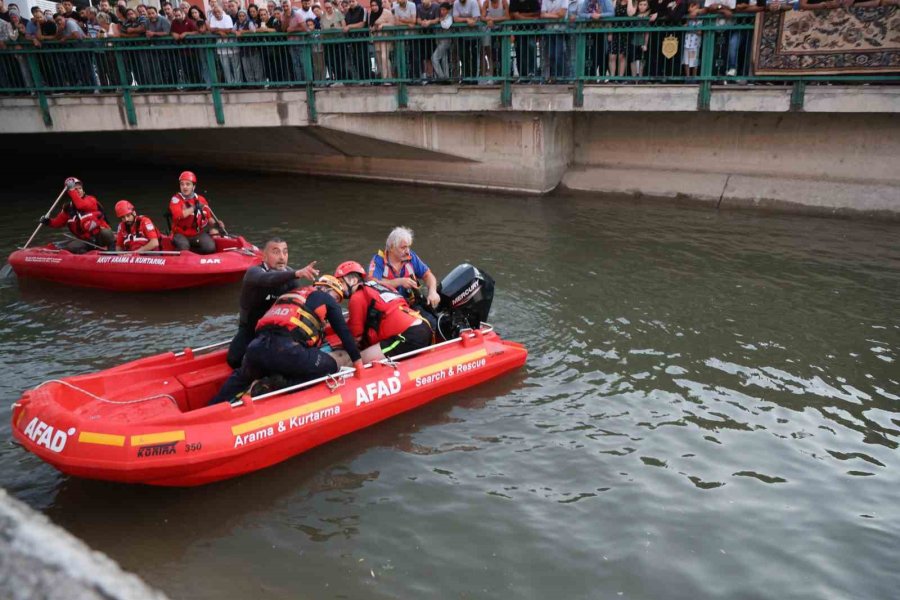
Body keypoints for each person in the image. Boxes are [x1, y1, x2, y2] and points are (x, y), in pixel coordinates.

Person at [210, 274, 363, 405]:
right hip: (286, 351)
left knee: (241, 377)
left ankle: (213, 406)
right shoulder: (326, 299)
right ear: (327, 289)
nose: (336, 301)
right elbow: (344, 334)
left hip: (255, 349)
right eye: (336, 297)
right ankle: (274, 385)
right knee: (330, 365)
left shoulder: (291, 295)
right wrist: (358, 363)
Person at [226, 237, 320, 368]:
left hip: (277, 329)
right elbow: (268, 279)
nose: (282, 257)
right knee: (234, 360)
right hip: (250, 328)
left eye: (285, 252)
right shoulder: (254, 273)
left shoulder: (291, 276)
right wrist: (297, 273)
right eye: (276, 252)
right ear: (264, 256)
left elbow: (299, 306)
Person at [340, 260, 433, 362]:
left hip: (409, 335)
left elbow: (356, 337)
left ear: (353, 280)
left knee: (355, 361)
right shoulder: (382, 287)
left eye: (341, 282)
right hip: (423, 326)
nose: (339, 287)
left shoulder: (356, 297)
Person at [41, 177, 115, 253]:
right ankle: (88, 256)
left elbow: (80, 205)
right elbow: (57, 223)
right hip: (86, 241)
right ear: (70, 192)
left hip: (99, 237)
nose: (78, 191)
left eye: (80, 188)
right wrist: (47, 221)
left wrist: (72, 190)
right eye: (75, 189)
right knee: (72, 247)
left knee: (107, 233)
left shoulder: (91, 200)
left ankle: (112, 252)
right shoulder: (68, 208)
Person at [168, 170, 224, 254]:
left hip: (196, 234)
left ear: (193, 187)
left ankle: (196, 257)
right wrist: (194, 207)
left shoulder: (201, 199)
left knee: (210, 247)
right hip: (179, 234)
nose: (184, 187)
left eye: (188, 184)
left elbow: (208, 218)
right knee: (183, 246)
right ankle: (177, 257)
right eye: (182, 184)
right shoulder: (175, 199)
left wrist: (216, 224)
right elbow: (178, 215)